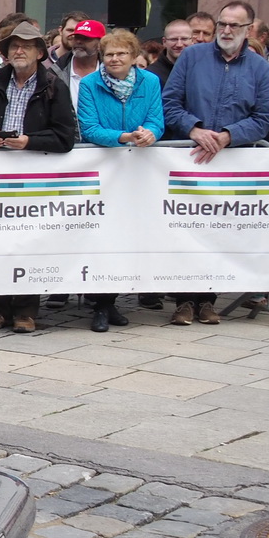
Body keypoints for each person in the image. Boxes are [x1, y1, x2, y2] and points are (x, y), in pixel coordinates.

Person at [161, 0, 269, 326]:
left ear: (248, 30)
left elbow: (264, 118)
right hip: (189, 159)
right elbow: (170, 103)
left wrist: (228, 136)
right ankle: (184, 301)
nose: (226, 30)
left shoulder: (260, 69)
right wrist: (195, 129)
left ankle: (208, 301)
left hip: (232, 163)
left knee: (219, 232)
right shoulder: (192, 57)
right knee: (186, 231)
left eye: (234, 25)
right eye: (222, 23)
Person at [0, 22, 77, 332]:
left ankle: (26, 311)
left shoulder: (53, 85)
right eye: (14, 46)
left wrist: (30, 141)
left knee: (29, 242)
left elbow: (65, 137)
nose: (19, 51)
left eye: (26, 46)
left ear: (39, 53)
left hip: (34, 178)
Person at [77, 29, 165, 332]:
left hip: (139, 169)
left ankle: (112, 299)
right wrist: (123, 137)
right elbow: (89, 127)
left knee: (130, 233)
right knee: (103, 233)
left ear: (133, 56)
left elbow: (156, 119)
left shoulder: (150, 81)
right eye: (109, 54)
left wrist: (151, 133)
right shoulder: (90, 84)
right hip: (104, 169)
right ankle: (100, 304)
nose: (115, 59)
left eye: (121, 54)